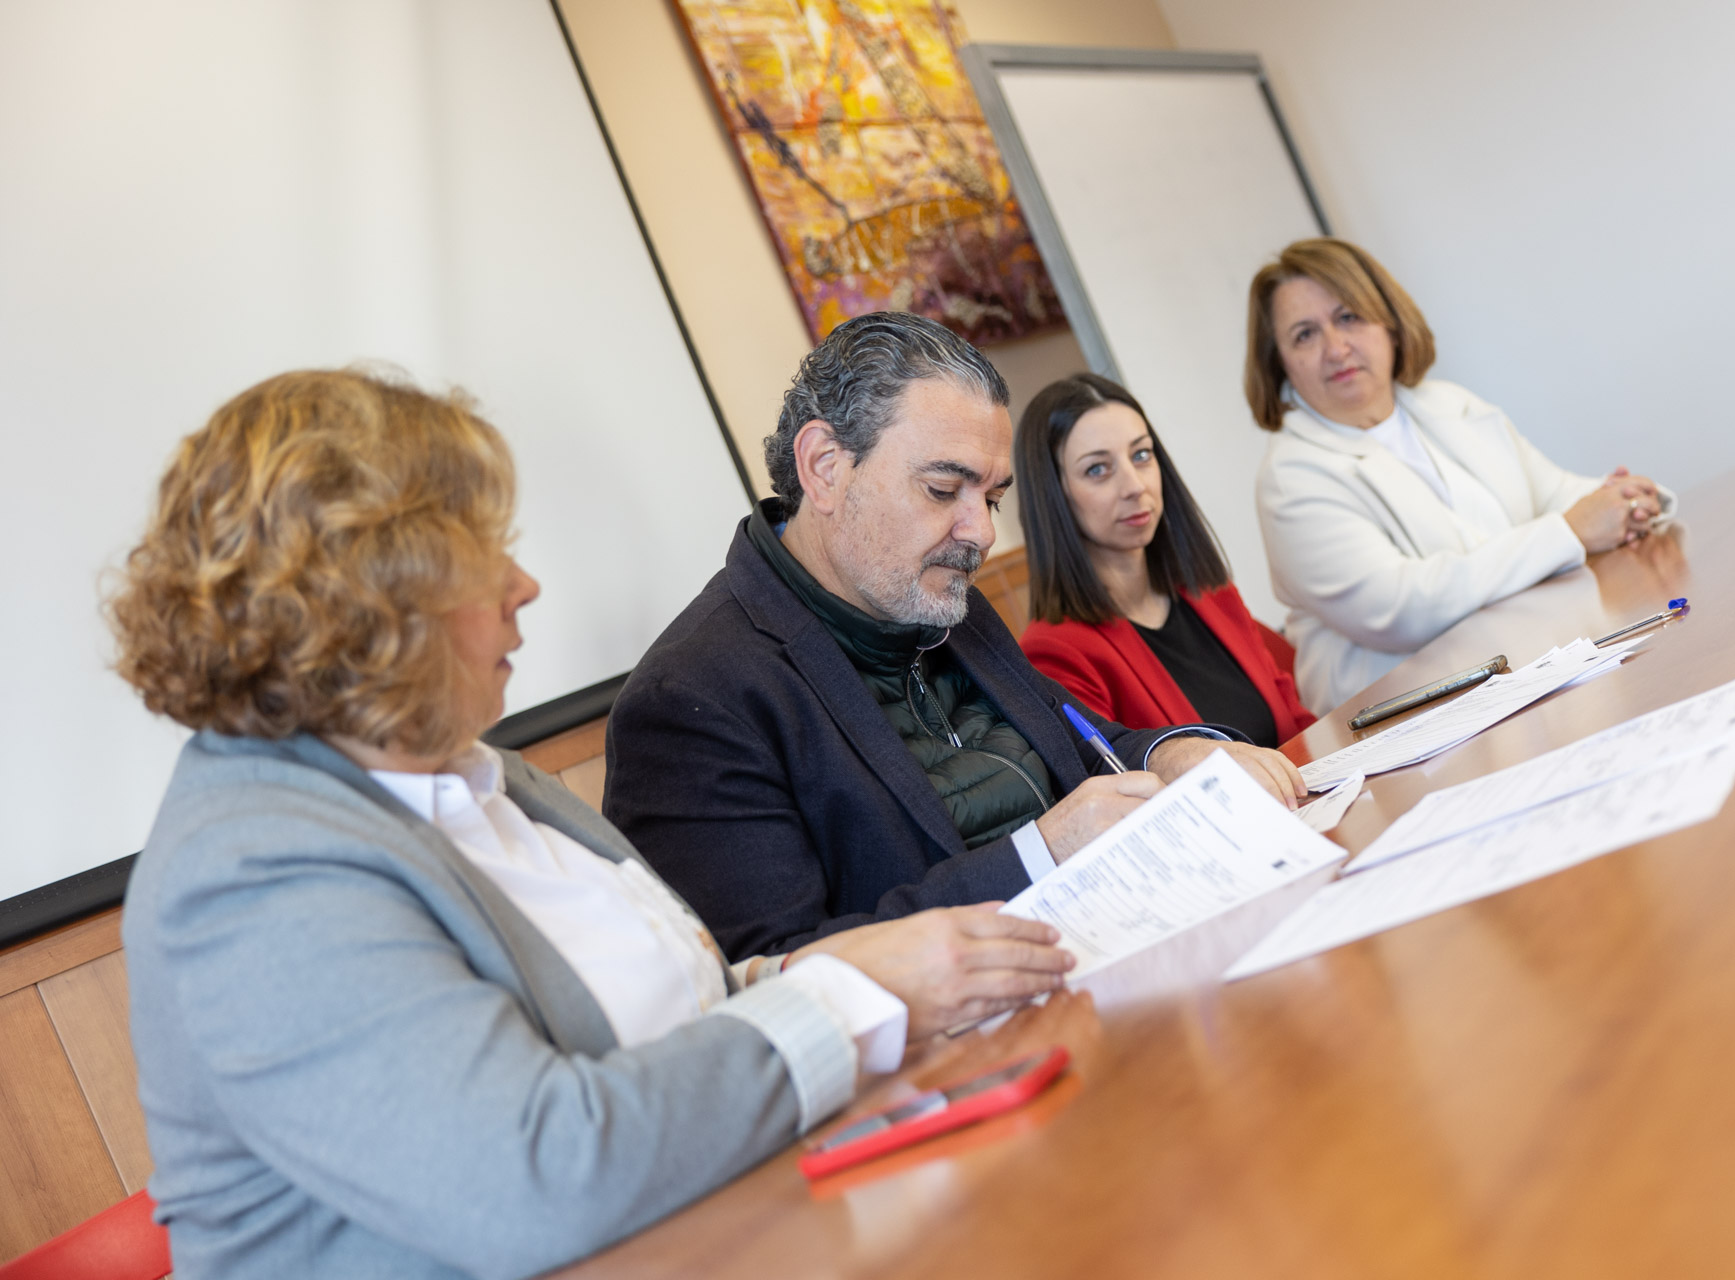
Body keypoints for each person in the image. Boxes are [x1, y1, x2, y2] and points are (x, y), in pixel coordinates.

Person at [110, 369, 1074, 1280]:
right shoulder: (247, 876)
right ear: (363, 594)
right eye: (483, 552)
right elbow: (531, 1178)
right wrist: (842, 996)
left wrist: (824, 973)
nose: (523, 585)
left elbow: (675, 1013)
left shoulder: (477, 773)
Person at [604, 312, 1307, 962]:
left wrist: (1174, 753)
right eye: (943, 490)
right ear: (824, 466)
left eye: (993, 498)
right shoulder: (689, 699)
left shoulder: (937, 595)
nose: (982, 533)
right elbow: (772, 975)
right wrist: (1042, 853)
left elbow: (1087, 744)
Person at [1245, 238, 1676, 712]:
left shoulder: (1448, 404)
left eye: (1349, 317)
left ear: (1390, 324)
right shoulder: (1290, 478)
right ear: (1278, 363)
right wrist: (1570, 532)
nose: (1336, 347)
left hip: (1528, 667)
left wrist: (1624, 502)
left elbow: (1553, 493)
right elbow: (1403, 608)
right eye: (1305, 335)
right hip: (1413, 717)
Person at [1014, 372, 1314, 748]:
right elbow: (1117, 778)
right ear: (1052, 495)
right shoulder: (1055, 653)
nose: (1135, 486)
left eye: (1141, 455)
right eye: (1097, 469)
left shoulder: (1211, 592)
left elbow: (1298, 725)